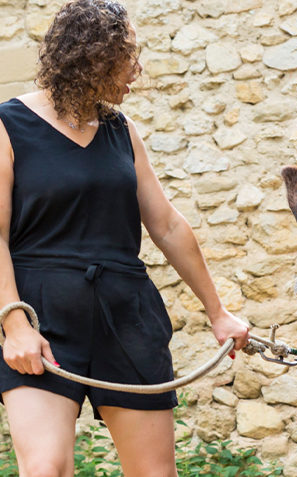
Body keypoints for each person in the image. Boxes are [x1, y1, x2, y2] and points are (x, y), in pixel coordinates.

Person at [0, 1, 250, 475]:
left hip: (126, 313)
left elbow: (168, 225)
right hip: (42, 315)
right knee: (45, 469)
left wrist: (218, 312)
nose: (138, 69)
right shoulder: (7, 125)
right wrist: (14, 324)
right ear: (92, 57)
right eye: (128, 56)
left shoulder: (121, 130)